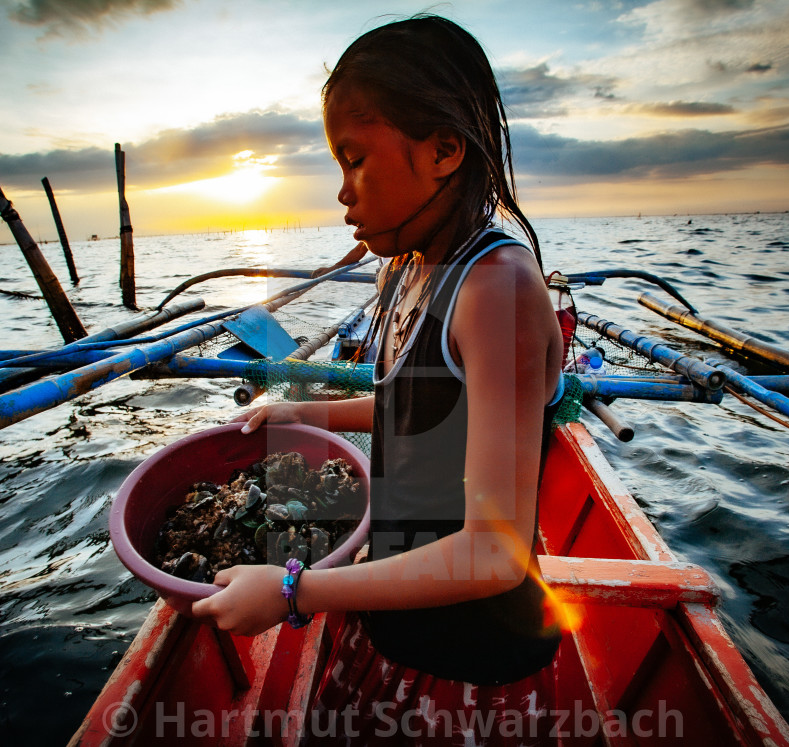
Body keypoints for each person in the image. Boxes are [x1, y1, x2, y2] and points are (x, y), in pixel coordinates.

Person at [193, 15, 565, 744]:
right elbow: (416, 406)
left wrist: (297, 590)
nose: (343, 193)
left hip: (471, 662)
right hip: (394, 621)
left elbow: (496, 552)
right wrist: (309, 420)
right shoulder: (406, 266)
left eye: (355, 159)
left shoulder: (499, 290)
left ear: (443, 151)